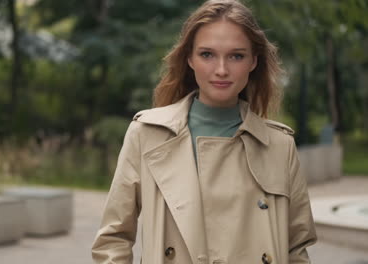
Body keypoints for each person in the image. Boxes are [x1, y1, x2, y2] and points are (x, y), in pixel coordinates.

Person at [92, 0, 317, 263]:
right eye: (207, 54)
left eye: (236, 55)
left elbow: (297, 248)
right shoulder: (147, 134)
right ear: (189, 58)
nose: (221, 70)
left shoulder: (279, 145)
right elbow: (113, 240)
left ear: (253, 61)